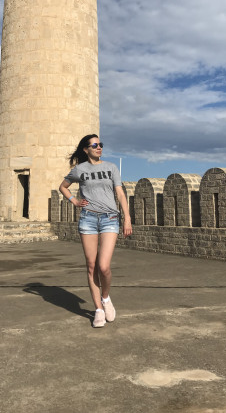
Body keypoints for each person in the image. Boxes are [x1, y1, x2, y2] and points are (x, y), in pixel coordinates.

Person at [59, 134, 133, 328]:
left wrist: (127, 218)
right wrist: (74, 201)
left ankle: (105, 297)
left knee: (104, 266)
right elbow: (63, 187)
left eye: (100, 144)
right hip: (88, 219)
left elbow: (120, 193)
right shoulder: (79, 170)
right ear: (86, 149)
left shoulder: (111, 167)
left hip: (110, 219)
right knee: (91, 266)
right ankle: (98, 309)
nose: (99, 147)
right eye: (94, 145)